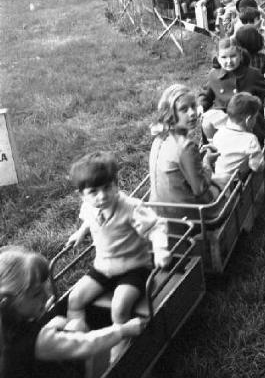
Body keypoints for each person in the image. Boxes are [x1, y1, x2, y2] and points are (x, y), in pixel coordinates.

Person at [66, 150, 170, 360]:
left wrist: (160, 249)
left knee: (119, 306)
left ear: (116, 183)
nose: (102, 196)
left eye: (107, 187)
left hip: (134, 268)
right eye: (94, 191)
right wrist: (80, 232)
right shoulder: (89, 207)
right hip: (103, 266)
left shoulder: (131, 208)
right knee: (75, 299)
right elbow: (90, 219)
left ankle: (120, 341)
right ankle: (79, 338)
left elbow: (156, 226)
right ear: (82, 195)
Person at [0, 246, 147, 378]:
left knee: (61, 322)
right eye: (36, 294)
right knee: (77, 326)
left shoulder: (9, 326)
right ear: (7, 302)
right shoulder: (36, 341)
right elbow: (86, 343)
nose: (46, 295)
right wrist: (123, 330)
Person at [149, 84, 220, 205]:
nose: (192, 113)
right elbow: (200, 189)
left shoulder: (159, 138)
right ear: (171, 114)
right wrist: (207, 163)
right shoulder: (186, 146)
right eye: (184, 109)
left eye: (193, 106)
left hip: (158, 210)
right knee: (221, 185)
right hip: (185, 214)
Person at [198, 36, 265, 142]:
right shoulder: (214, 75)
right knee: (207, 122)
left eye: (233, 56)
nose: (229, 61)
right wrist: (201, 104)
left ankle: (251, 149)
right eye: (224, 57)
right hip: (222, 116)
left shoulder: (252, 74)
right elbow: (206, 93)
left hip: (245, 118)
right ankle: (213, 146)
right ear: (218, 58)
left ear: (240, 56)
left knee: (246, 131)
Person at [212, 92, 264, 189]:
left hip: (217, 180)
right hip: (235, 184)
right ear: (248, 120)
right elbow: (257, 167)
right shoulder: (250, 140)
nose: (255, 120)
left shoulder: (218, 134)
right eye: (255, 117)